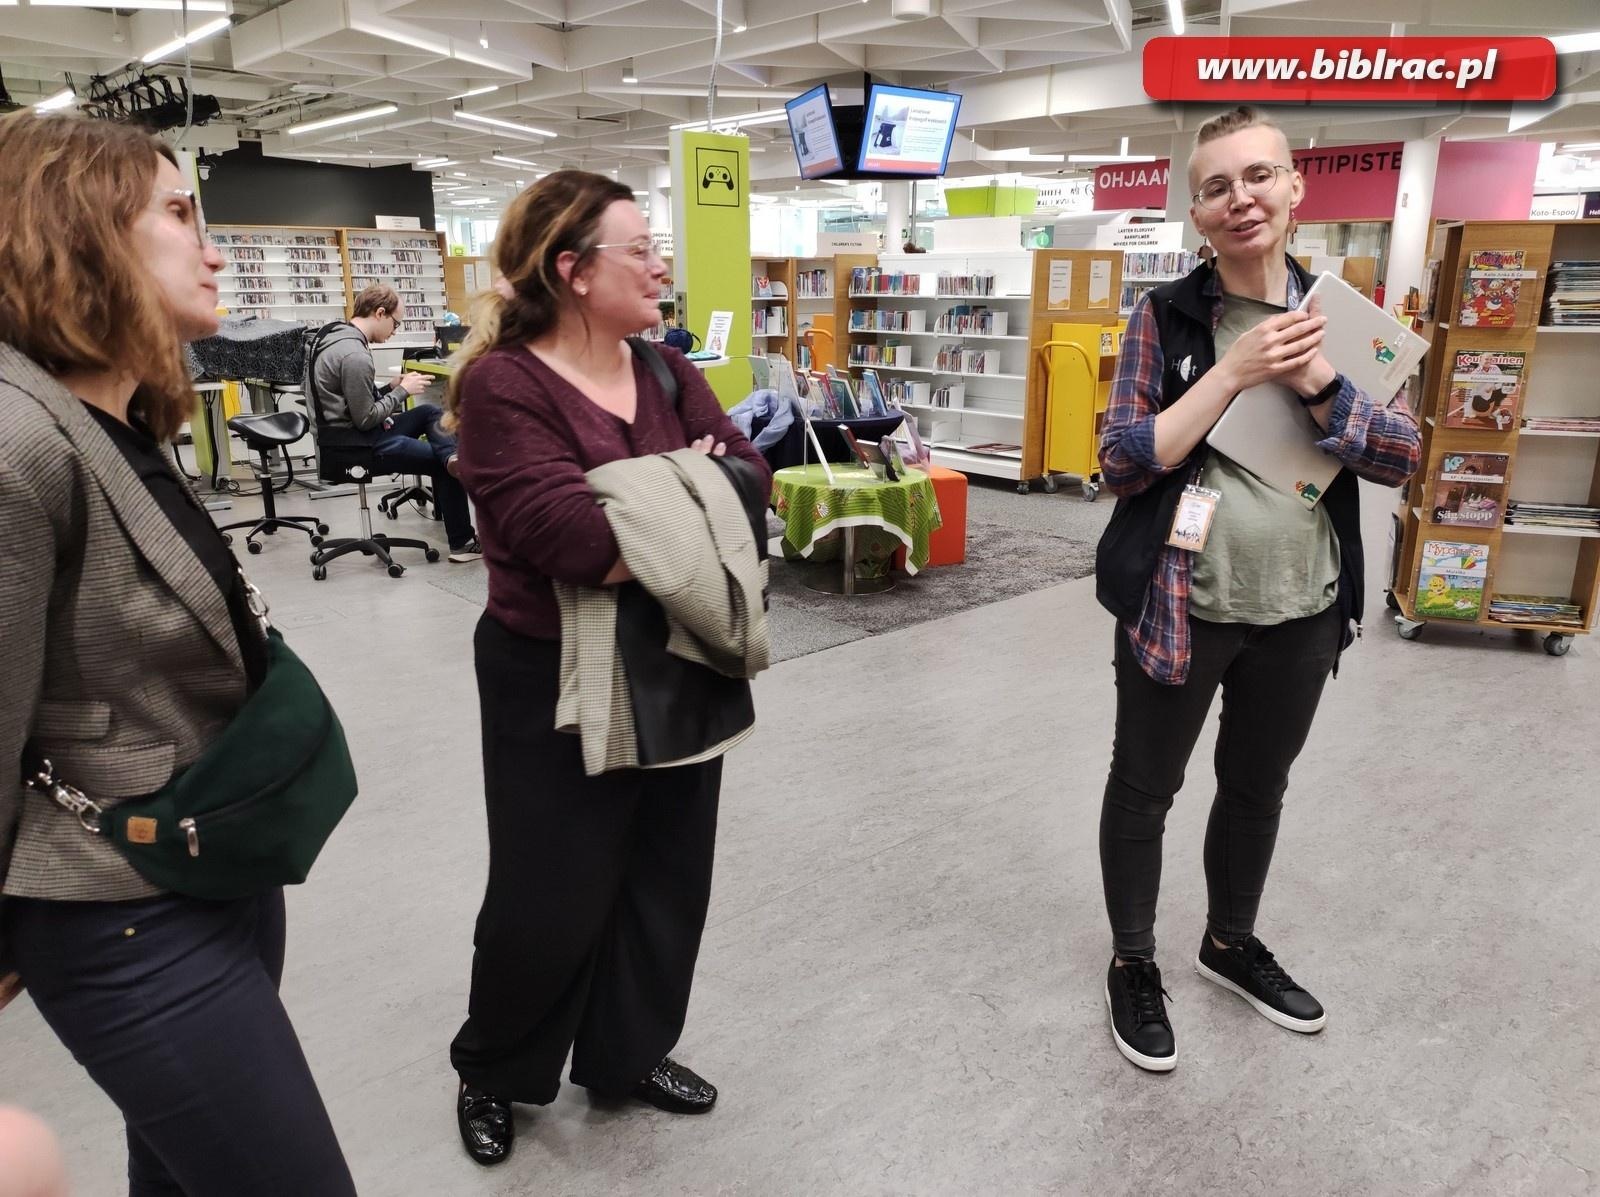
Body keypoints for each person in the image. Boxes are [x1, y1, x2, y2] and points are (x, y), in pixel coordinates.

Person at [0, 114, 356, 1193]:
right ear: (82, 229)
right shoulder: (18, 444)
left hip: (204, 860)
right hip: (119, 911)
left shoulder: (115, 418)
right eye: (177, 212)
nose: (213, 247)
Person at [442, 170, 770, 1166]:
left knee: (668, 877)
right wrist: (692, 489)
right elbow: (571, 540)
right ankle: (495, 1068)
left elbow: (749, 485)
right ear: (573, 271)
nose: (662, 264)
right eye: (641, 248)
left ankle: (626, 1055)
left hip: (678, 651)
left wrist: (660, 497)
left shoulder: (667, 368)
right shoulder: (503, 385)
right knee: (550, 893)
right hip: (549, 671)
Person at [1093, 106, 1420, 1073]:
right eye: (1217, 185)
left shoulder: (1345, 318)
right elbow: (1121, 459)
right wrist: (1232, 372)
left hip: (1305, 608)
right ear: (1196, 212)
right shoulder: (1163, 317)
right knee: (1144, 790)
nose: (1242, 199)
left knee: (1256, 790)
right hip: (1180, 606)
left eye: (1259, 176)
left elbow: (1401, 457)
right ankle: (1133, 961)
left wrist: (1321, 381)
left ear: (1294, 187)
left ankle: (1229, 942)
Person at [309, 283, 481, 561]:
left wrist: (389, 387)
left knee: (428, 414)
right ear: (380, 313)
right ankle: (462, 542)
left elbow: (352, 402)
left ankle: (451, 457)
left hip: (346, 436)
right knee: (441, 464)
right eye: (395, 323)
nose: (394, 332)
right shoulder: (354, 355)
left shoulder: (335, 336)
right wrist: (403, 392)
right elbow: (365, 419)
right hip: (355, 446)